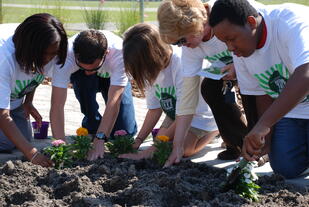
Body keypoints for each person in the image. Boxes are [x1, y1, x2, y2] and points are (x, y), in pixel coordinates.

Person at [209, 0, 309, 178]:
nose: (230, 48)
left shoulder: (290, 22)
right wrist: (264, 140)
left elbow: (306, 73)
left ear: (251, 22)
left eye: (232, 39)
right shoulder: (241, 52)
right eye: (225, 42)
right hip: (294, 111)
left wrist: (263, 125)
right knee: (284, 167)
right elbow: (261, 93)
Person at [157, 0, 251, 167]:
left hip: (258, 64)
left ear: (194, 24)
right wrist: (177, 146)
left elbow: (258, 45)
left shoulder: (226, 13)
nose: (182, 46)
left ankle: (261, 148)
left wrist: (239, 66)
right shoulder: (191, 47)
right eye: (176, 44)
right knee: (209, 88)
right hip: (230, 69)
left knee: (249, 89)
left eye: (182, 40)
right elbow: (187, 98)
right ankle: (238, 143)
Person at [119, 23, 219, 160]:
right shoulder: (150, 70)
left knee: (184, 149)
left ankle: (215, 130)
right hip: (175, 112)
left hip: (199, 113)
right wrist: (138, 141)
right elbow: (154, 110)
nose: (143, 73)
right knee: (162, 144)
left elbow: (185, 110)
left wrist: (149, 151)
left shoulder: (180, 63)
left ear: (153, 56)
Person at [50, 29, 137, 161]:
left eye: (94, 68)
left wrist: (100, 139)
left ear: (106, 54)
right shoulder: (65, 57)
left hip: (111, 77)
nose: (89, 72)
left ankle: (100, 132)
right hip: (80, 78)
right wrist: (61, 146)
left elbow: (114, 101)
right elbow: (56, 105)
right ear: (75, 55)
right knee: (84, 80)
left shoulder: (120, 53)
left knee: (124, 131)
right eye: (83, 67)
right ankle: (92, 124)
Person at [0, 13, 68, 167]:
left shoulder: (50, 48)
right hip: (2, 108)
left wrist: (28, 101)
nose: (48, 59)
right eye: (45, 54)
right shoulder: (4, 58)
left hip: (10, 102)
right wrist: (33, 154)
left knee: (22, 139)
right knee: (8, 142)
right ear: (30, 47)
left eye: (53, 54)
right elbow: (2, 115)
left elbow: (34, 75)